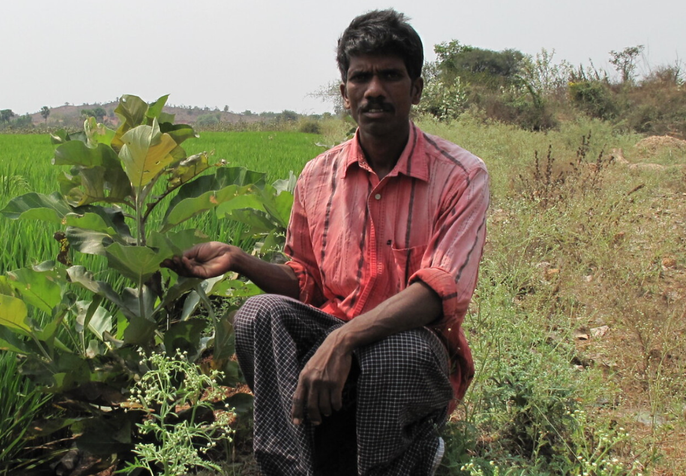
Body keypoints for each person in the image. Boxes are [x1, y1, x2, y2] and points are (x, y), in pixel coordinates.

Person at [165, 9, 489, 476]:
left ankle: (400, 459)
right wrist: (240, 261)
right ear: (345, 92)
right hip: (331, 338)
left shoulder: (460, 176)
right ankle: (290, 467)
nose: (374, 90)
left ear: (415, 89)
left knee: (395, 351)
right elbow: (306, 282)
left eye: (391, 76)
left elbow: (441, 293)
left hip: (414, 354)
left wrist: (344, 342)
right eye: (361, 77)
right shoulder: (319, 176)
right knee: (258, 314)